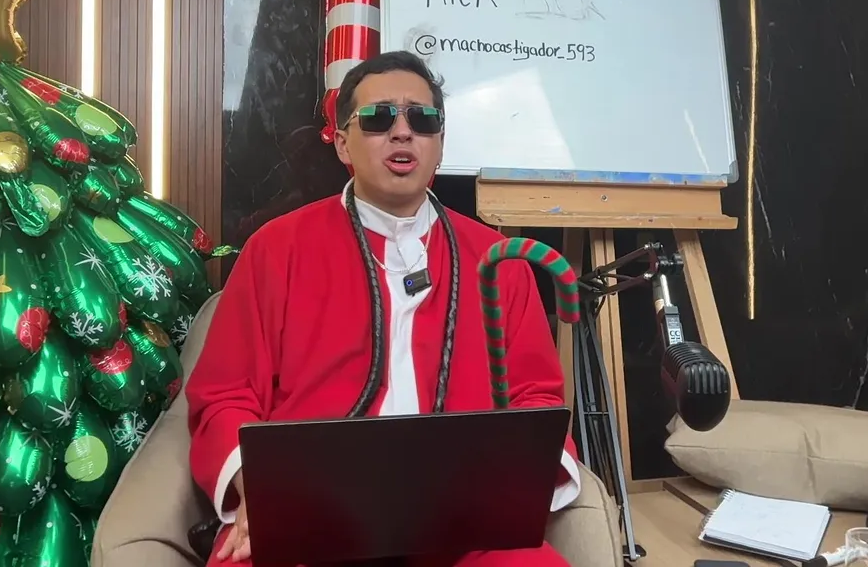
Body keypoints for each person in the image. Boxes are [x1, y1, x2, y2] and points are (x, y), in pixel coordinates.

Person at [186, 51, 580, 566]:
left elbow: (536, 400)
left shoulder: (499, 262)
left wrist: (505, 489)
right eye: (378, 118)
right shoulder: (276, 249)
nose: (402, 132)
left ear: (440, 143)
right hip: (309, 515)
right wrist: (257, 490)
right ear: (342, 143)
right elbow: (226, 396)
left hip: (462, 526)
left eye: (423, 119)